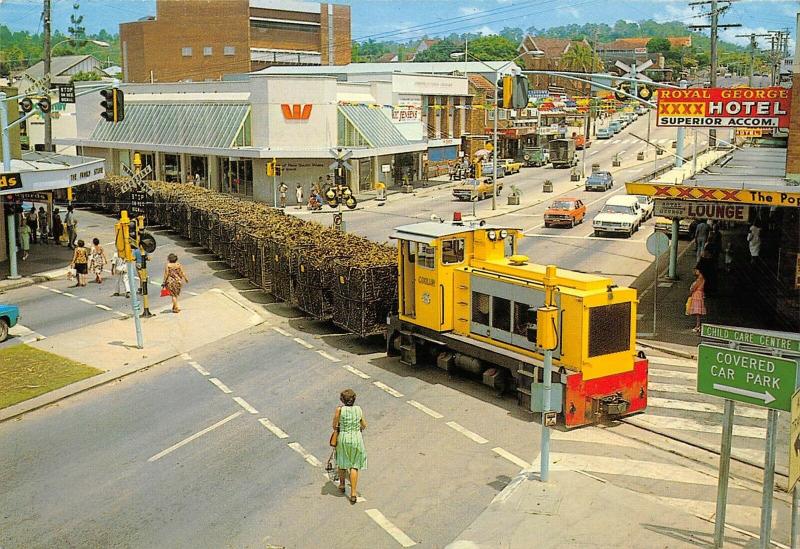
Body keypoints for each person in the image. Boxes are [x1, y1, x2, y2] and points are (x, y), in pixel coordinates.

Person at [332, 388, 367, 504]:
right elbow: (364, 425)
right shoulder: (358, 409)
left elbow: (334, 425)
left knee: (342, 463)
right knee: (354, 465)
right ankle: (353, 493)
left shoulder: (339, 410)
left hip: (343, 438)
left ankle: (342, 485)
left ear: (342, 400)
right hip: (357, 439)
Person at [688, 267, 706, 333]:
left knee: (697, 312)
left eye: (697, 270)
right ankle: (698, 325)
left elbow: (694, 288)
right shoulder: (702, 279)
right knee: (698, 312)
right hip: (699, 295)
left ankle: (697, 326)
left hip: (697, 295)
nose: (695, 271)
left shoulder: (699, 279)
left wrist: (690, 291)